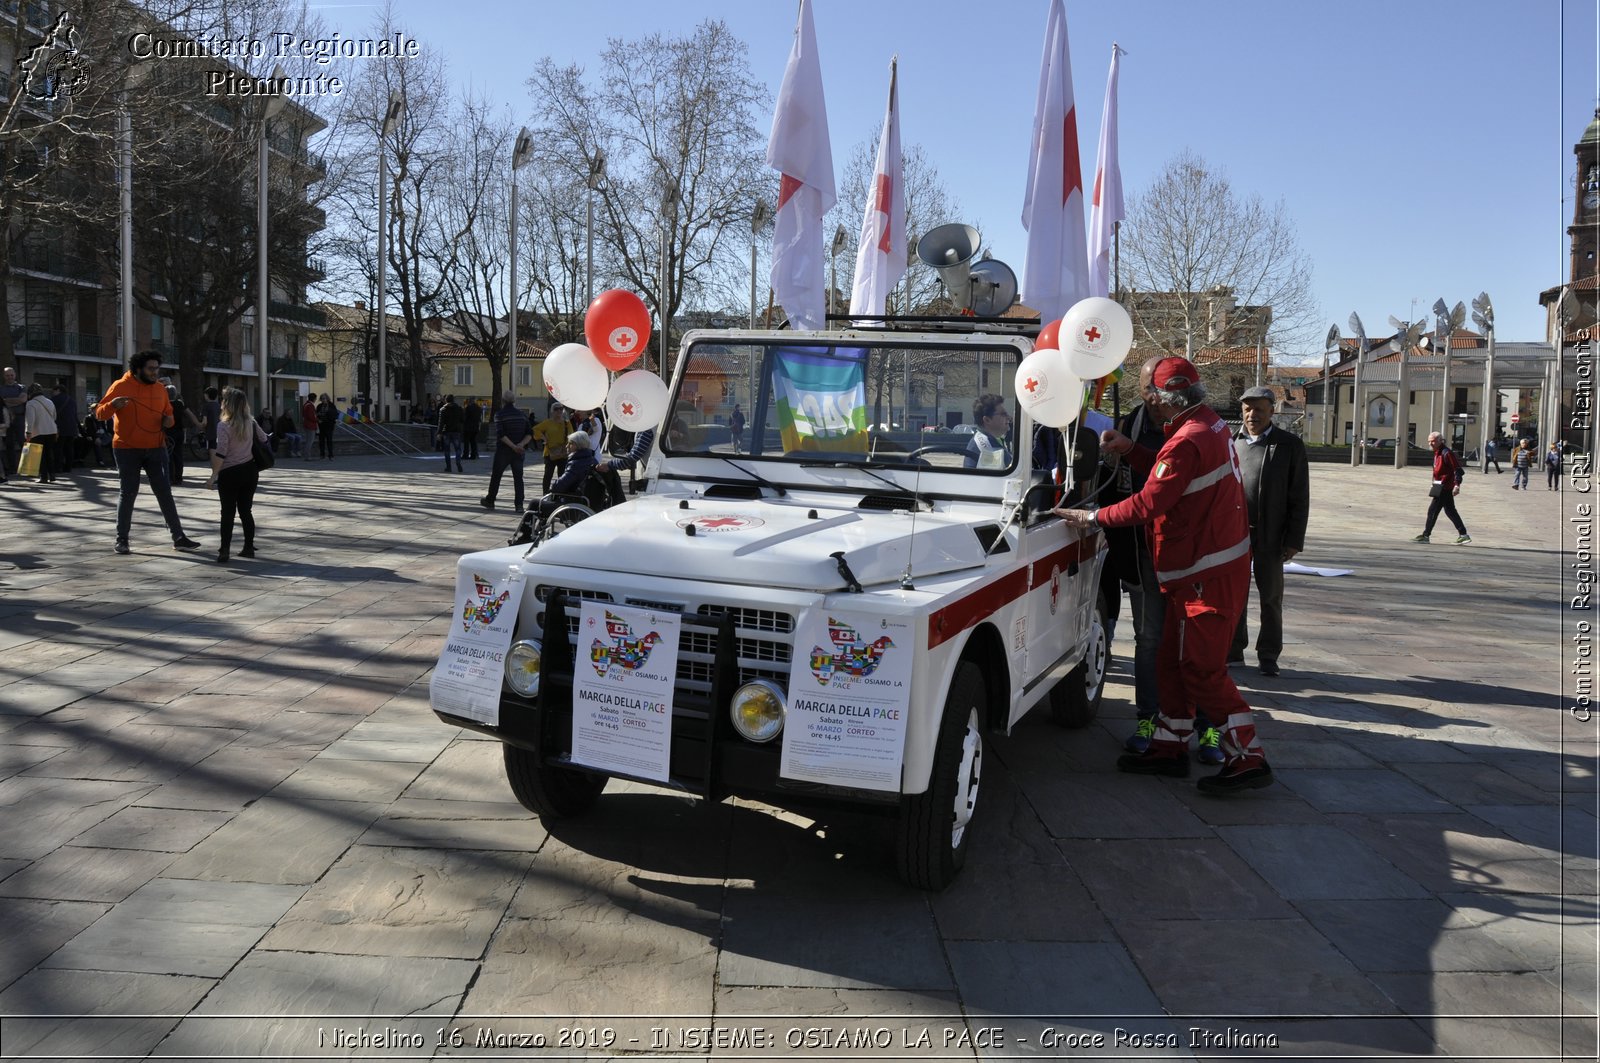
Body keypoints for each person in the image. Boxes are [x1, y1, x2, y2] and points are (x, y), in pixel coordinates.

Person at [1055, 356, 1271, 795]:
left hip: (1204, 575)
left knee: (1202, 669)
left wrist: (1091, 516)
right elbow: (1175, 477)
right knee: (1171, 661)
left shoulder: (1187, 439)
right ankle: (1170, 745)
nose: (1146, 402)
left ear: (1162, 398)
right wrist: (1132, 450)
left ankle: (1248, 757)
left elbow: (1149, 502)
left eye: (1149, 394)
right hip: (1201, 569)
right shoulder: (1207, 425)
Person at [1099, 357, 1180, 757]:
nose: (1154, 397)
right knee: (1148, 640)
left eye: (1160, 390)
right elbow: (1119, 488)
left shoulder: (1196, 428)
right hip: (1142, 553)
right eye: (1148, 388)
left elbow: (1159, 491)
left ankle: (1202, 725)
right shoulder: (1130, 423)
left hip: (1189, 556)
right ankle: (1148, 718)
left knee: (1189, 644)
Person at [1230, 386, 1310, 679]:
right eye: (1247, 409)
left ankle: (1268, 655)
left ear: (1271, 411)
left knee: (1271, 598)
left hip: (1272, 536)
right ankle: (1233, 650)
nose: (1252, 415)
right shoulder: (1230, 442)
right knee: (1234, 596)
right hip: (1234, 537)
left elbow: (1300, 496)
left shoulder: (1289, 445)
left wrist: (1294, 540)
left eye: (1259, 409)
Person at [95, 351, 201, 553]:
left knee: (164, 492)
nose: (155, 373)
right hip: (126, 449)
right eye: (151, 369)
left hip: (156, 448)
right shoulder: (120, 386)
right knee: (128, 492)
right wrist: (111, 405)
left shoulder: (160, 389)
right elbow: (100, 413)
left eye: (157, 368)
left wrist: (168, 420)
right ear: (138, 369)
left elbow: (168, 414)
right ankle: (122, 539)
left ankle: (178, 536)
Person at [205, 387, 269, 563]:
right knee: (245, 511)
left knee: (227, 513)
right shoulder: (252, 422)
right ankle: (248, 547)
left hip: (229, 473)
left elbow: (221, 453)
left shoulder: (224, 425)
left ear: (228, 404)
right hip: (250, 471)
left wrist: (213, 476)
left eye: (223, 400)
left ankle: (224, 549)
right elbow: (264, 439)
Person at [1412, 431, 1470, 544]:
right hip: (1439, 485)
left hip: (1444, 486)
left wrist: (1457, 485)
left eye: (1433, 441)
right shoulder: (1437, 453)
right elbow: (1437, 470)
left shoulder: (1446, 453)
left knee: (1432, 511)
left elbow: (1457, 469)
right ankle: (1463, 534)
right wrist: (1433, 482)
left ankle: (1426, 535)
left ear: (1440, 441)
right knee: (1450, 511)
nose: (1431, 443)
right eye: (1429, 441)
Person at [481, 393, 533, 512]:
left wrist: (513, 446)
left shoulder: (499, 415)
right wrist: (521, 445)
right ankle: (519, 505)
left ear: (503, 401)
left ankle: (490, 500)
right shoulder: (522, 415)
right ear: (514, 401)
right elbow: (530, 433)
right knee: (518, 478)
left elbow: (501, 434)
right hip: (519, 452)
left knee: (496, 476)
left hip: (504, 451)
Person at [538, 431, 599, 517]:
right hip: (587, 501)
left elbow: (558, 486)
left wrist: (552, 487)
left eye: (570, 443)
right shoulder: (593, 460)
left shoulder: (576, 463)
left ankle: (527, 529)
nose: (567, 446)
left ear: (577, 445)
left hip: (573, 502)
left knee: (535, 504)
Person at [963, 394, 1013, 469]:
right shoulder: (989, 448)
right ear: (987, 420)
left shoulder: (986, 440)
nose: (1008, 417)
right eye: (1003, 414)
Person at [22, 384, 59, 484]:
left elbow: (30, 420)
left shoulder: (31, 403)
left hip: (38, 432)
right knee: (49, 453)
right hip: (51, 431)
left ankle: (43, 477)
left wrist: (28, 432)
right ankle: (52, 475)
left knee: (40, 455)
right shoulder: (49, 401)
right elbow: (54, 416)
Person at [166, 385, 202, 484]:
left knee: (169, 455)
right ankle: (178, 478)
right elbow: (190, 414)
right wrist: (198, 424)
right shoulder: (180, 404)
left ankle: (170, 478)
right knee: (178, 455)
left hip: (169, 433)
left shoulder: (165, 404)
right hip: (180, 432)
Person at [530, 402, 570, 493]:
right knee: (548, 475)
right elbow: (535, 430)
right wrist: (543, 437)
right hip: (550, 453)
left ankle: (561, 493)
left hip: (563, 453)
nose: (559, 411)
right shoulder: (548, 423)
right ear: (552, 411)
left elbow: (571, 435)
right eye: (556, 409)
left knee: (563, 476)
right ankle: (545, 493)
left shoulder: (567, 423)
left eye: (561, 408)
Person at [0, 366, 24, 476]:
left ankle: (26, 468)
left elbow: (23, 399)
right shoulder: (1, 388)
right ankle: (12, 469)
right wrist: (17, 400)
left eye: (11, 375)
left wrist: (6, 400)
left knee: (23, 442)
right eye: (7, 375)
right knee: (9, 445)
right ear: (4, 376)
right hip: (7, 420)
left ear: (15, 375)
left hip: (20, 418)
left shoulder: (22, 387)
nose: (10, 377)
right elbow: (2, 403)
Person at [437, 394, 464, 472]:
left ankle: (448, 467)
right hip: (456, 431)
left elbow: (441, 422)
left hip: (447, 431)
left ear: (446, 400)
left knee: (447, 450)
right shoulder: (459, 409)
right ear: (453, 400)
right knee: (458, 449)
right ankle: (458, 462)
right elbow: (462, 419)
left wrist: (439, 433)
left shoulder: (443, 409)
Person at [199, 386, 220, 459]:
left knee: (212, 451)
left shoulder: (206, 406)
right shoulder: (218, 405)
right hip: (219, 431)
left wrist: (201, 427)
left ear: (207, 395)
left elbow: (204, 422)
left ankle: (214, 467)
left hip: (210, 432)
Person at [316, 394, 338, 459]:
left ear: (327, 398)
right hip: (321, 425)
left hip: (329, 425)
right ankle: (322, 454)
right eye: (322, 398)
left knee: (329, 440)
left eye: (325, 398)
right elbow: (316, 414)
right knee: (321, 440)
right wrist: (318, 419)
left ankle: (330, 455)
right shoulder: (319, 406)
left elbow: (335, 414)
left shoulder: (331, 405)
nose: (323, 400)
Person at [300, 395, 318, 461]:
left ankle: (307, 455)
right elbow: (311, 416)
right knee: (310, 441)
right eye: (316, 398)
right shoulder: (310, 405)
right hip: (310, 425)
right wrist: (317, 420)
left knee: (308, 441)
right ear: (314, 398)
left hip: (307, 424)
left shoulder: (306, 404)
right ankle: (307, 456)